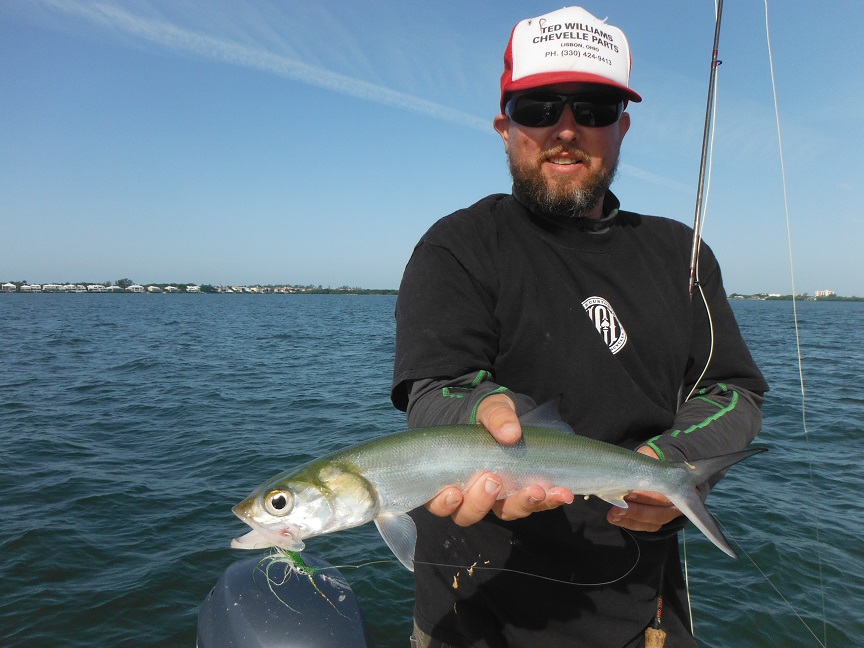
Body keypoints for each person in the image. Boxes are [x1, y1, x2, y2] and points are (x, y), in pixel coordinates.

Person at [391, 6, 768, 648]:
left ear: (622, 127)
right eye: (539, 107)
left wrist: (666, 465)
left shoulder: (682, 253)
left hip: (643, 613)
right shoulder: (455, 247)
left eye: (592, 109)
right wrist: (484, 407)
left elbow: (731, 392)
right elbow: (435, 387)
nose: (566, 129)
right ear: (504, 125)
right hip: (474, 617)